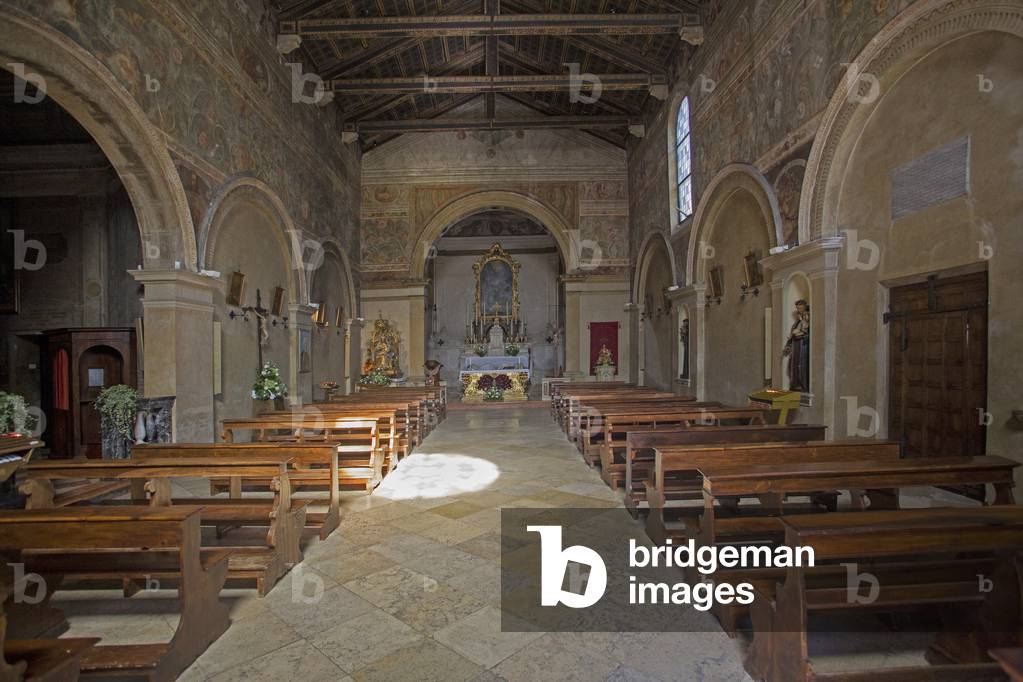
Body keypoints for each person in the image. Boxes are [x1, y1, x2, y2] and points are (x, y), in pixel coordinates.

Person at [782, 299, 810, 391]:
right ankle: (795, 386)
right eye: (798, 308)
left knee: (802, 365)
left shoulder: (807, 318)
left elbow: (808, 332)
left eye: (800, 308)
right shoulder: (796, 323)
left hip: (803, 346)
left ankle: (803, 386)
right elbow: (791, 336)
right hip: (795, 346)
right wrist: (787, 346)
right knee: (792, 366)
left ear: (805, 307)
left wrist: (803, 335)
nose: (799, 310)